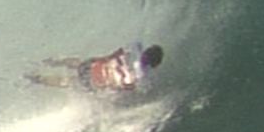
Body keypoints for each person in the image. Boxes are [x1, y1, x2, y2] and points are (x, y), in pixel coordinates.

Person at [27, 43, 163, 92]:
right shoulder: (142, 76)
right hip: (95, 82)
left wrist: (102, 58)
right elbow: (125, 87)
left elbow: (116, 53)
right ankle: (37, 79)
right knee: (69, 81)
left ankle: (49, 62)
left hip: (96, 66)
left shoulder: (135, 47)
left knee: (77, 63)